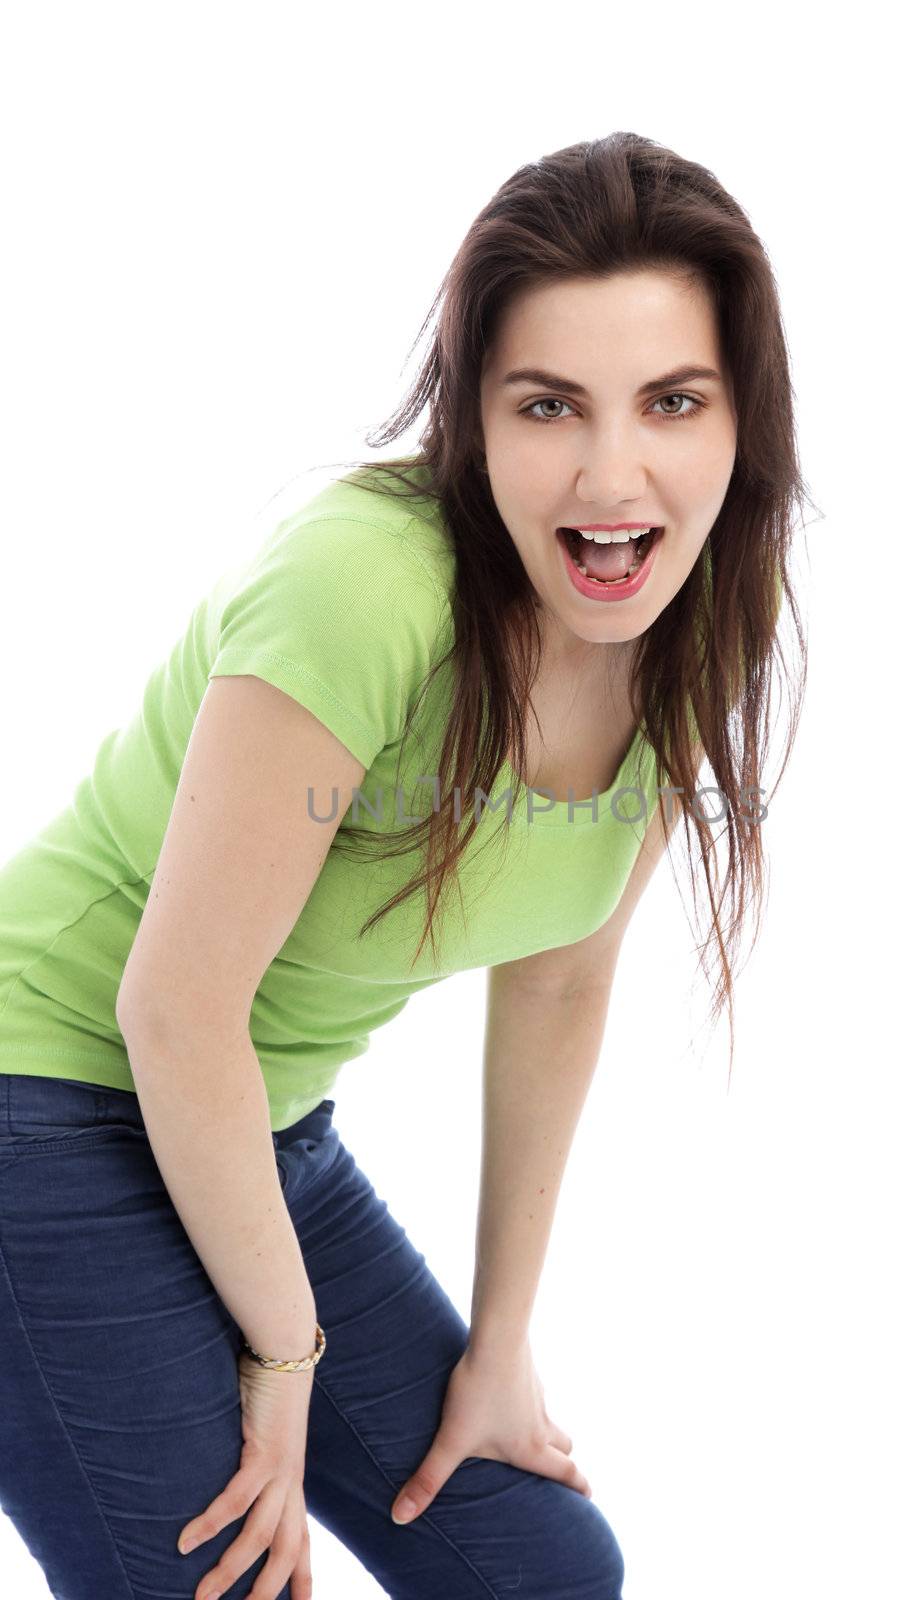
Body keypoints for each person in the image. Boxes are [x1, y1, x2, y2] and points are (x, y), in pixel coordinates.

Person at [0, 131, 807, 1600]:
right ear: (476, 423)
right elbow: (173, 1013)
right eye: (549, 405)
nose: (612, 475)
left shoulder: (697, 617)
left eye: (672, 403)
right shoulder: (362, 590)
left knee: (540, 1570)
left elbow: (562, 983)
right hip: (39, 1093)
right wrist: (284, 1353)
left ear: (740, 418)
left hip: (260, 1121)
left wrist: (503, 1346)